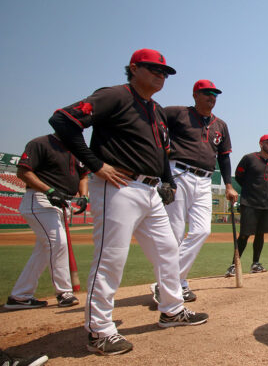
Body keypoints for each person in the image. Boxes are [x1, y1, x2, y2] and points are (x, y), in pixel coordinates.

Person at [48, 48, 208, 356]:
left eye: (164, 73)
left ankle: (172, 310)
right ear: (134, 68)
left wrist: (169, 181)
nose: (160, 76)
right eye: (154, 70)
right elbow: (63, 120)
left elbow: (163, 152)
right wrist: (95, 164)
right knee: (111, 258)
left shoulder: (157, 110)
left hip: (150, 191)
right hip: (118, 186)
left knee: (168, 252)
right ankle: (100, 330)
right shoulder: (114, 96)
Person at [152, 79, 238, 303]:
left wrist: (228, 185)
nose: (212, 97)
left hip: (204, 180)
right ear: (195, 95)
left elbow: (224, 157)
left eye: (215, 94)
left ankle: (167, 282)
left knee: (201, 231)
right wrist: (163, 153)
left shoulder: (220, 125)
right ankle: (177, 283)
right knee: (175, 234)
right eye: (207, 93)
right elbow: (153, 123)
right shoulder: (177, 113)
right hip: (178, 173)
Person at [5, 134, 88, 310]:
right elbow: (23, 172)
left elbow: (83, 176)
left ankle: (20, 296)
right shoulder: (40, 143)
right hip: (40, 200)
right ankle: (64, 292)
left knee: (44, 250)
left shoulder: (76, 149)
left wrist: (84, 196)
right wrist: (49, 190)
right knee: (58, 243)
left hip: (62, 203)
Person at [228, 134, 268, 276]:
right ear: (261, 143)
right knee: (245, 234)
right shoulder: (249, 158)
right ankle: (234, 265)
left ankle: (255, 264)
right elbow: (239, 176)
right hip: (250, 202)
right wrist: (250, 189)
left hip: (266, 203)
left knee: (260, 234)